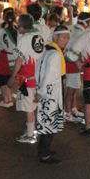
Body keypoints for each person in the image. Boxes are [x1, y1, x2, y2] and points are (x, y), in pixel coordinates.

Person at [36, 25, 70, 164]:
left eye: (68, 37)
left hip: (45, 89)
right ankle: (44, 154)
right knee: (50, 123)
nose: (66, 40)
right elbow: (50, 75)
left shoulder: (47, 49)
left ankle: (44, 150)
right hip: (50, 91)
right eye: (63, 37)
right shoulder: (55, 54)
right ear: (55, 37)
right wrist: (42, 91)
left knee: (47, 121)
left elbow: (37, 69)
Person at [9, 14, 45, 143]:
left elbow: (19, 60)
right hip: (39, 76)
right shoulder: (39, 36)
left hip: (28, 78)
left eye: (18, 25)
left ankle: (30, 135)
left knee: (29, 107)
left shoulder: (24, 39)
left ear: (23, 26)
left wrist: (12, 77)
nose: (17, 27)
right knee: (34, 105)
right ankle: (33, 129)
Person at [64, 12, 90, 122]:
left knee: (73, 89)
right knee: (70, 90)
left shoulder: (73, 28)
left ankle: (73, 109)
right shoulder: (80, 33)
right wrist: (78, 63)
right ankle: (68, 113)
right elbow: (72, 50)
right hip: (73, 64)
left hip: (70, 63)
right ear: (87, 22)